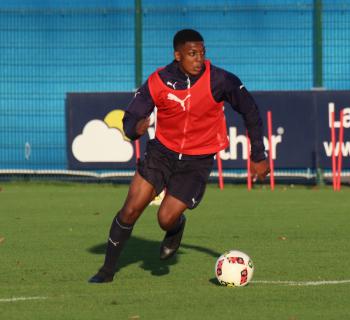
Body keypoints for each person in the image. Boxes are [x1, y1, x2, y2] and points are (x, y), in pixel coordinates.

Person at [89, 29, 270, 283]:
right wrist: (134, 129)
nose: (199, 59)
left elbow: (250, 111)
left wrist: (258, 154)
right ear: (177, 55)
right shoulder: (158, 81)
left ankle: (175, 228)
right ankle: (106, 271)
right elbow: (131, 117)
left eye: (202, 53)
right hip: (161, 153)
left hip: (197, 161)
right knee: (130, 209)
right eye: (192, 54)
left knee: (165, 218)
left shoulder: (220, 80)